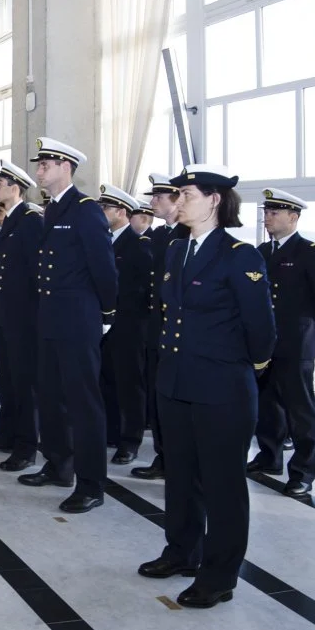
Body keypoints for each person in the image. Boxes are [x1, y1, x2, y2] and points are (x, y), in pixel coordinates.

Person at [138, 164, 275, 609]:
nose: (176, 202)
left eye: (186, 194)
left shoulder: (240, 255)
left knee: (223, 484)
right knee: (180, 475)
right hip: (175, 381)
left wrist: (246, 368)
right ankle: (182, 550)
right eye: (175, 195)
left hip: (222, 386)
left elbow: (262, 329)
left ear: (214, 199)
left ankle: (219, 575)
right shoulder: (177, 251)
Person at [18, 137, 117, 514]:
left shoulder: (86, 210)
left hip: (78, 320)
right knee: (50, 396)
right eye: (39, 164)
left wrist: (106, 314)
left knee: (84, 404)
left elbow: (104, 269)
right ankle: (59, 464)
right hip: (50, 319)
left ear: (66, 167)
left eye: (45, 164)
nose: (39, 170)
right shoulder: (52, 210)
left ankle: (91, 483)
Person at [246, 189, 315, 497]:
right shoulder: (262, 251)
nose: (267, 218)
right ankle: (269, 456)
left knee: (300, 412)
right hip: (266, 345)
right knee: (268, 406)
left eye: (274, 213)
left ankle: (302, 472)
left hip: (296, 345)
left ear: (293, 217)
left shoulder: (311, 252)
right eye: (266, 212)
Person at [0, 160, 43, 472]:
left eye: (0, 184)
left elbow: (34, 273)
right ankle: (6, 432)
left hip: (23, 317)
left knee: (24, 382)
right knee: (7, 379)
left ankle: (27, 445)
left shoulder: (30, 221)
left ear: (15, 187)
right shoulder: (10, 221)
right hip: (4, 313)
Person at [133, 173, 189, 480]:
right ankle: (163, 456)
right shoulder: (154, 237)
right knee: (158, 396)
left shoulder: (188, 235)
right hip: (155, 329)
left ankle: (180, 460)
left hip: (180, 332)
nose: (152, 202)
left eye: (158, 198)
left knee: (178, 398)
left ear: (176, 200)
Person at [97, 184, 153, 466]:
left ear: (121, 212)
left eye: (105, 208)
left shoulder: (138, 245)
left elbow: (142, 290)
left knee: (130, 384)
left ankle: (130, 441)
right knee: (106, 379)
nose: (100, 212)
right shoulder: (103, 240)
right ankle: (111, 431)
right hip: (106, 325)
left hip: (130, 326)